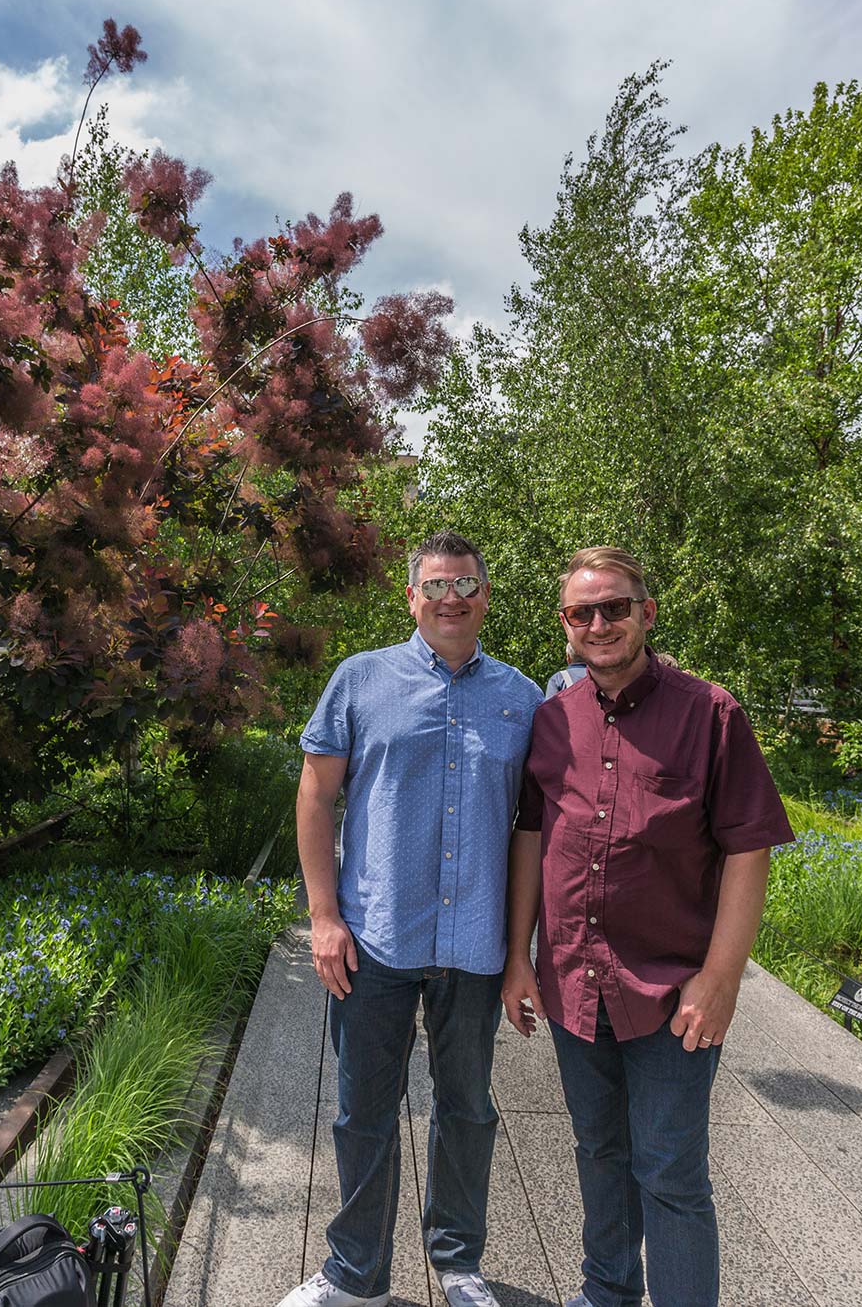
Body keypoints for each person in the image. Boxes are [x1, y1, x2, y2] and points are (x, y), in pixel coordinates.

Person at [501, 546, 793, 1307]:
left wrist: (721, 979)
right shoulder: (552, 719)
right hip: (572, 981)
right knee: (599, 1152)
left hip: (670, 993)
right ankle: (607, 1293)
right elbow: (532, 834)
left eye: (614, 608)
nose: (599, 624)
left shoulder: (710, 712)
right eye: (581, 612)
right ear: (565, 626)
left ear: (646, 613)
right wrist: (518, 956)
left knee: (668, 1172)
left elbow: (748, 846)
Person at [279, 530, 544, 1307]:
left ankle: (458, 1263)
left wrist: (523, 949)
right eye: (435, 586)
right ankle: (355, 1273)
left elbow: (532, 825)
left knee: (467, 1106)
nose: (451, 598)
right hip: (376, 937)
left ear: (486, 596)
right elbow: (316, 796)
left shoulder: (523, 699)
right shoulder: (361, 680)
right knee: (364, 1109)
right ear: (411, 597)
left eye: (465, 585)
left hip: (476, 944)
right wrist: (323, 917)